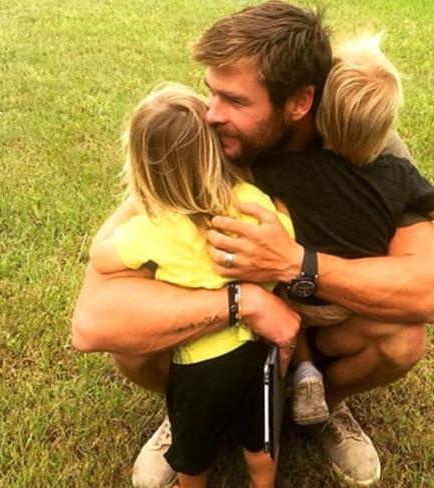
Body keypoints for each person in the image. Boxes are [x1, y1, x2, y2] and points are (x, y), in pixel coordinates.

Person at [71, 2, 434, 487]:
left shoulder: (365, 140)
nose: (212, 114)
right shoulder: (198, 139)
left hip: (319, 318)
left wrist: (293, 262)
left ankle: (320, 405)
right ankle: (186, 408)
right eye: (211, 93)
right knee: (132, 342)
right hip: (224, 324)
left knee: (401, 338)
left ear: (299, 102)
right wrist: (240, 301)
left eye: (235, 101)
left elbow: (427, 291)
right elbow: (95, 319)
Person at [89, 83, 293, 488]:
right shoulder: (250, 200)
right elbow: (281, 253)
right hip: (255, 355)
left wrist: (139, 201)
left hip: (196, 369)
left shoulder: (150, 228)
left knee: (193, 455)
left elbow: (101, 255)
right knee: (260, 441)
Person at [255, 33, 434, 427]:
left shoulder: (288, 170)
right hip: (344, 305)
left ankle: (312, 381)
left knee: (282, 283)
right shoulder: (397, 175)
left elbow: (430, 293)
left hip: (290, 299)